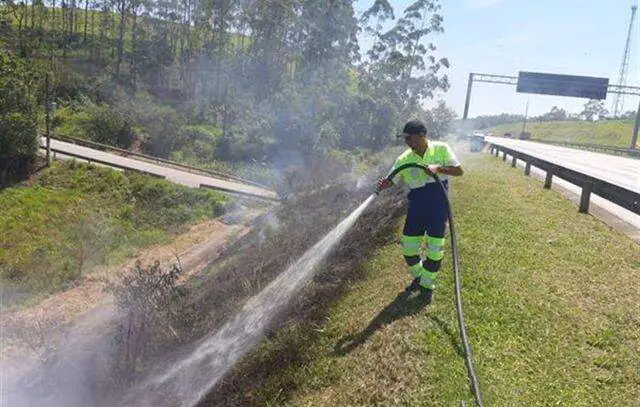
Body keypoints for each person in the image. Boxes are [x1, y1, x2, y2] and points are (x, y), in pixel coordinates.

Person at [377, 119, 464, 296]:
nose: (407, 142)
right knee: (409, 248)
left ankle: (426, 286)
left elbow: (459, 171)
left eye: (410, 138)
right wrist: (385, 184)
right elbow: (391, 179)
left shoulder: (441, 148)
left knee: (434, 248)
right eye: (405, 139)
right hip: (417, 205)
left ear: (422, 135)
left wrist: (438, 168)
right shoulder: (404, 158)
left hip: (438, 204)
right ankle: (419, 276)